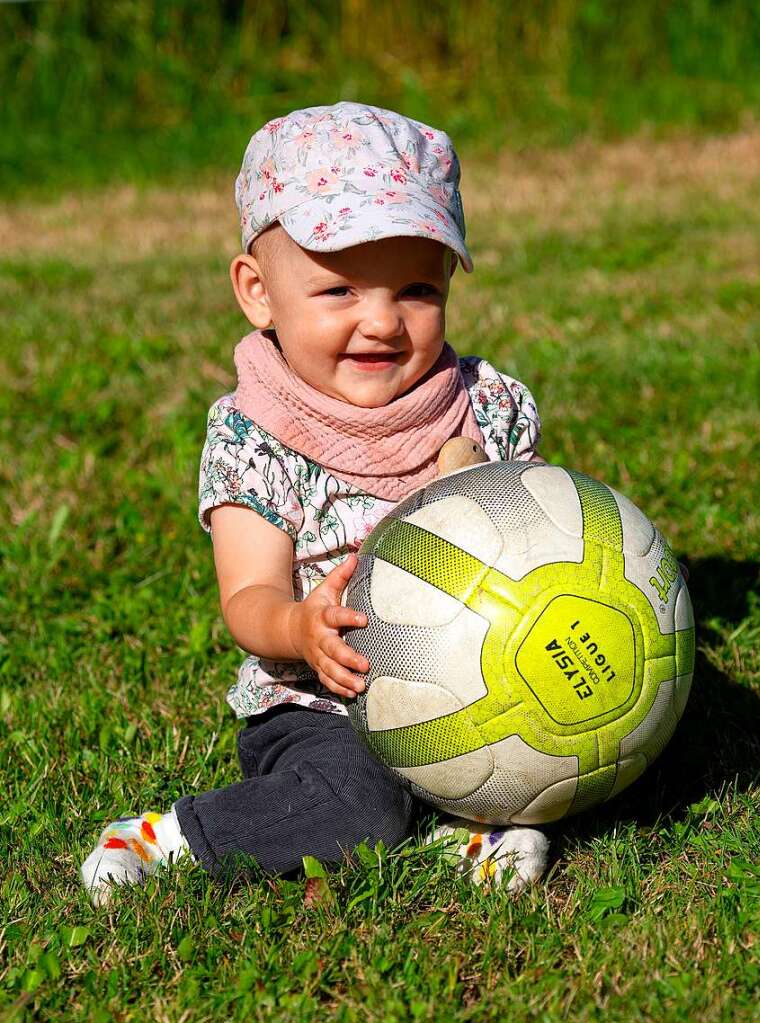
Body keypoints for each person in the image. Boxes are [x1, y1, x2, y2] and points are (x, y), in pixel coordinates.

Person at [80, 102, 550, 907]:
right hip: (322, 704)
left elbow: (539, 547)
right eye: (337, 289)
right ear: (257, 292)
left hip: (474, 690)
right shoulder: (258, 433)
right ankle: (169, 837)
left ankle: (457, 820)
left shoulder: (485, 405)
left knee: (599, 739)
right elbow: (249, 597)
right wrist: (299, 628)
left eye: (415, 288)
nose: (381, 321)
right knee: (355, 804)